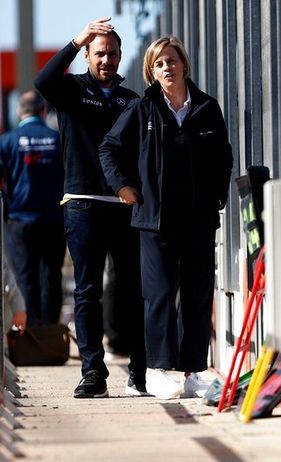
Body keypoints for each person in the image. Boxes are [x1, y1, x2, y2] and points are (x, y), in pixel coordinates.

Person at [99, 36, 233, 399]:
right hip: (154, 221)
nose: (166, 68)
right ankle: (157, 370)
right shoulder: (143, 109)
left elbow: (224, 156)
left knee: (196, 295)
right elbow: (109, 148)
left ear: (184, 65)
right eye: (159, 64)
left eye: (171, 61)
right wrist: (122, 188)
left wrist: (216, 196)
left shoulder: (207, 108)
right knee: (158, 295)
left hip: (197, 220)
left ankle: (194, 372)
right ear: (151, 72)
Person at [35, 17, 147, 399]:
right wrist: (77, 37)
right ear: (87, 55)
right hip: (81, 204)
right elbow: (43, 80)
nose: (107, 60)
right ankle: (92, 372)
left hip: (123, 203)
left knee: (132, 288)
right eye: (99, 53)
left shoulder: (132, 100)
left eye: (113, 54)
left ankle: (139, 369)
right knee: (86, 291)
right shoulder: (69, 89)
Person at [0, 91, 64, 329]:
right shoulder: (57, 139)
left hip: (19, 220)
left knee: (24, 275)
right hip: (54, 219)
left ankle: (30, 332)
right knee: (51, 275)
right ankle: (50, 331)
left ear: (19, 111)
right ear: (43, 111)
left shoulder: (7, 140)